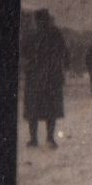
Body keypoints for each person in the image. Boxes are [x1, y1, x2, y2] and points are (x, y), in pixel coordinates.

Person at [21, 8, 68, 148]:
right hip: (52, 76)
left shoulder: (32, 35)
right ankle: (49, 138)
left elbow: (24, 52)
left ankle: (33, 139)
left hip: (35, 76)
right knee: (51, 109)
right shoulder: (55, 34)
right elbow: (64, 52)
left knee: (33, 109)